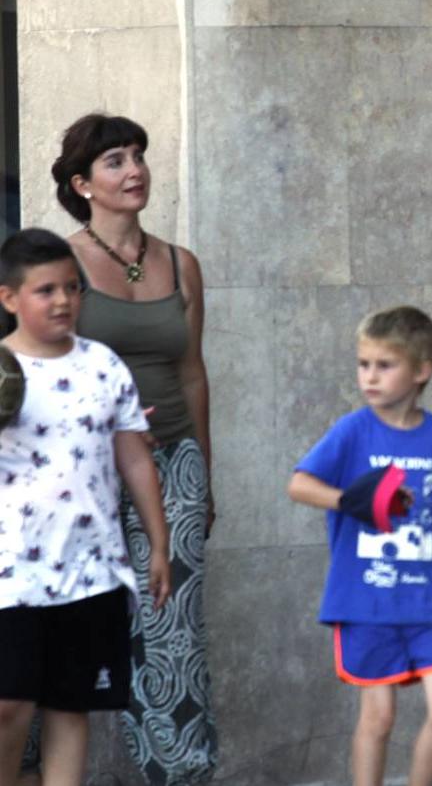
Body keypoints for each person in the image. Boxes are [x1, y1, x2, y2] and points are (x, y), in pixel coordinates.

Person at [50, 113, 217, 785]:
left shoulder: (181, 263)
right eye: (115, 161)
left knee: (172, 624)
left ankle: (181, 772)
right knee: (71, 625)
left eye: (139, 156)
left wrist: (205, 472)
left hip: (174, 460)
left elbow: (193, 370)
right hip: (81, 466)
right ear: (82, 183)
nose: (135, 170)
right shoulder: (59, 265)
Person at [0, 228, 171, 786]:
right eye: (45, 290)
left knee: (69, 708)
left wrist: (159, 543)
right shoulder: (1, 371)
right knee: (8, 705)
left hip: (90, 571)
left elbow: (135, 460)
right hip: (11, 573)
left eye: (72, 288)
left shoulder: (104, 365)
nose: (63, 301)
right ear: (9, 298)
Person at [287, 306, 432, 786]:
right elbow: (299, 484)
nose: (369, 376)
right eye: (363, 364)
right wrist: (351, 500)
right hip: (365, 602)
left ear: (421, 371)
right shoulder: (353, 431)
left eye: (384, 365)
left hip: (428, 603)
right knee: (378, 718)